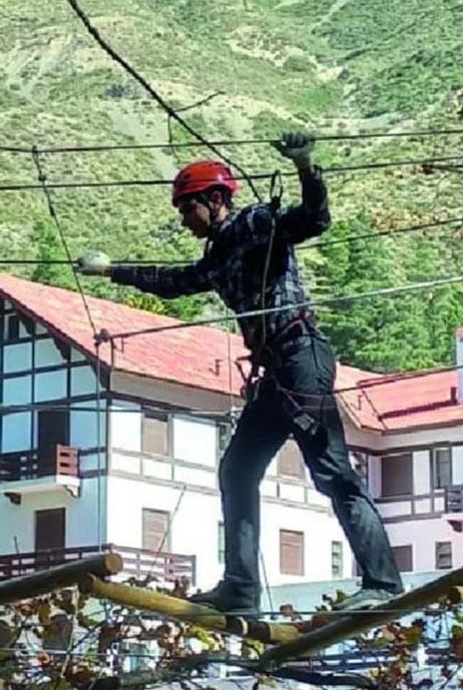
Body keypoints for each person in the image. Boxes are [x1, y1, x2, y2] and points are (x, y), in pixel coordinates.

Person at [75, 133, 404, 614]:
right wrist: (112, 272)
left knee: (331, 470)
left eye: (188, 209)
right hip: (276, 371)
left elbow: (313, 219)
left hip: (301, 355)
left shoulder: (255, 223)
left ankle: (382, 582)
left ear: (214, 199)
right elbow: (173, 283)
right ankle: (241, 588)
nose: (184, 220)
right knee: (237, 470)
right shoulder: (215, 257)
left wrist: (305, 166)